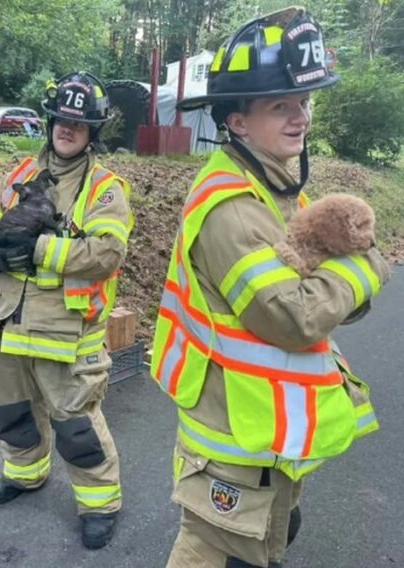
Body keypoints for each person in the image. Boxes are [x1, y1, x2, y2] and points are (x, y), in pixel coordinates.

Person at [152, 7, 391, 567]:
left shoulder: (275, 187)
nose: (300, 118)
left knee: (271, 535)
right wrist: (369, 267)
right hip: (233, 437)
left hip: (267, 429)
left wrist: (339, 283)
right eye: (280, 105)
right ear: (237, 122)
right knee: (213, 549)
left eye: (303, 103)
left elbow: (321, 296)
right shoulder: (232, 206)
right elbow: (292, 318)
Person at [0, 71, 135, 549]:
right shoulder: (19, 174)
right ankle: (25, 474)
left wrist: (39, 250)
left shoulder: (103, 190)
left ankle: (100, 503)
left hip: (63, 331)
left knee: (76, 425)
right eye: (62, 119)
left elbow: (106, 254)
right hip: (4, 324)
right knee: (11, 411)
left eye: (78, 125)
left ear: (92, 132)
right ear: (51, 120)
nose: (67, 129)